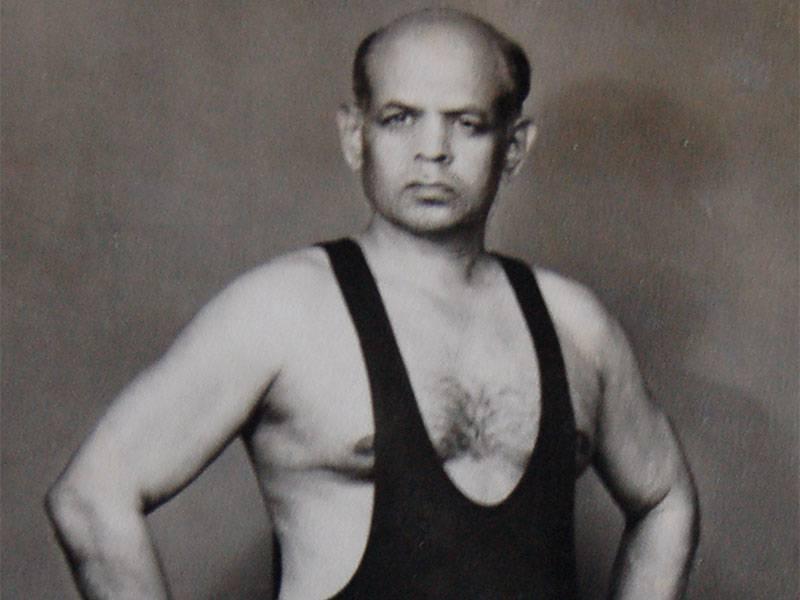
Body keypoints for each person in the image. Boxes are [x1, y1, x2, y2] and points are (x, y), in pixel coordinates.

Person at [45, 8, 699, 600]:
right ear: (355, 136)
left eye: (467, 124)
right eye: (400, 118)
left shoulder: (575, 325)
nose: (433, 152)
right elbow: (91, 496)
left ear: (515, 146)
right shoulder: (283, 311)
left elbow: (666, 499)